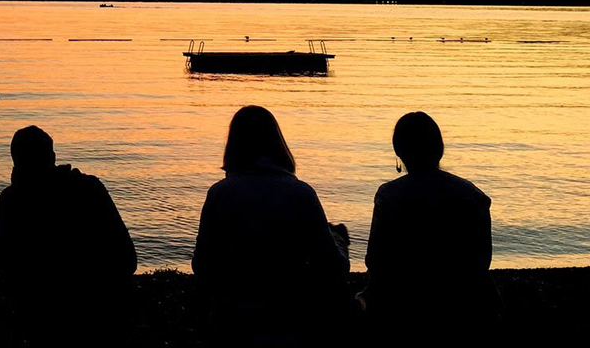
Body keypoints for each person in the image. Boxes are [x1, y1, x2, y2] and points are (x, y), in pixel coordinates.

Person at [192, 106, 349, 347]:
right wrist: (338, 239)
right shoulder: (301, 194)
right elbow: (334, 267)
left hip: (231, 323)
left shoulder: (219, 194)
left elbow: (201, 265)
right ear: (278, 143)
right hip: (289, 321)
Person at [362, 112, 498, 344]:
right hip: (465, 306)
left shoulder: (389, 196)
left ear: (399, 150)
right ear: (439, 148)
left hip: (405, 307)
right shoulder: (473, 195)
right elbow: (482, 260)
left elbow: (376, 261)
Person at [0, 125, 136, 343]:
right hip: (99, 313)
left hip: (40, 319)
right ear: (52, 156)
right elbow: (126, 257)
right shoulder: (90, 188)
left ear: (15, 161)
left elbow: (8, 269)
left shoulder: (12, 200)